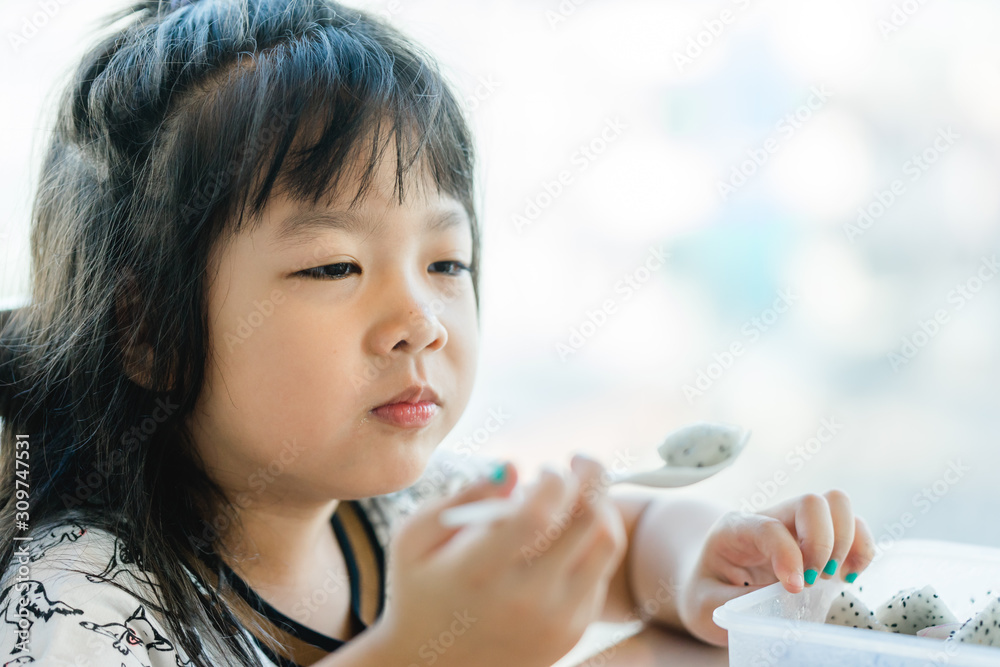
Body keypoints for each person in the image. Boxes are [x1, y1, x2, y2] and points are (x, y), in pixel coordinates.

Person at [0, 1, 875, 665]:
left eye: (446, 264)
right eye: (334, 267)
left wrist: (708, 560)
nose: (419, 321)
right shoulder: (78, 601)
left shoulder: (399, 515)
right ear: (147, 328)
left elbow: (623, 538)